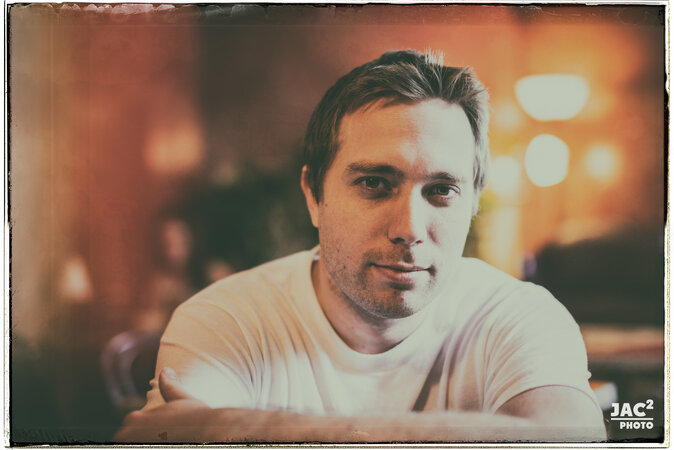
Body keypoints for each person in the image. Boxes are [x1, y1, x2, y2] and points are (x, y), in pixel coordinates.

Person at [115, 50, 606, 443]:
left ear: (473, 203)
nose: (409, 228)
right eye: (374, 183)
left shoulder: (517, 315)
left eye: (441, 191)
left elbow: (569, 441)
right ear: (314, 195)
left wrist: (238, 430)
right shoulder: (227, 319)